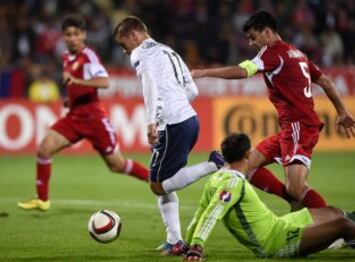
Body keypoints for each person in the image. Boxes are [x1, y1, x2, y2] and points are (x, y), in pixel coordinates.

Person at [191, 10, 355, 210]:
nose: (252, 43)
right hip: (290, 128)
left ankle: (340, 224)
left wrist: (205, 72)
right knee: (245, 165)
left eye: (253, 37)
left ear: (268, 32)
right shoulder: (297, 53)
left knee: (296, 188)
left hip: (299, 126)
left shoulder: (272, 53)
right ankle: (295, 203)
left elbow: (242, 71)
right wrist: (342, 112)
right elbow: (325, 81)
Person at [113, 16, 225, 255]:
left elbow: (149, 85)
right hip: (189, 120)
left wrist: (153, 120)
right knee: (166, 183)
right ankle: (174, 241)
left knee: (157, 185)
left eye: (124, 44)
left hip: (173, 125)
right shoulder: (168, 50)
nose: (125, 51)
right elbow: (192, 89)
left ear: (133, 36)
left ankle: (214, 164)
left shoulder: (140, 53)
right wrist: (177, 108)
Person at [17, 14, 149, 211]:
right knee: (44, 149)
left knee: (117, 165)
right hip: (74, 117)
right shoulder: (67, 57)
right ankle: (42, 199)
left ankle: (155, 179)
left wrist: (77, 82)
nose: (72, 38)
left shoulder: (88, 57)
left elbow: (104, 82)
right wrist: (72, 98)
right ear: (64, 36)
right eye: (68, 34)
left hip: (94, 119)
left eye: (76, 34)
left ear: (83, 35)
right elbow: (78, 84)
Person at [184, 133, 355, 260]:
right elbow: (212, 213)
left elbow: (200, 212)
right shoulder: (233, 183)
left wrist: (186, 244)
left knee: (334, 212)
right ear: (247, 154)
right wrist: (196, 247)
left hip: (279, 225)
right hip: (275, 243)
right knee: (343, 225)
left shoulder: (216, 178)